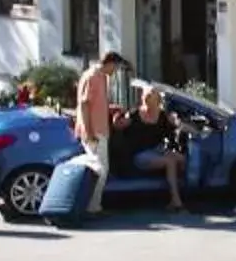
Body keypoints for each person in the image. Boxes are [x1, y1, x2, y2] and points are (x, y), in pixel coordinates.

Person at [111, 86, 188, 210]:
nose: (147, 99)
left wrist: (179, 123)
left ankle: (187, 190)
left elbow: (177, 126)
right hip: (140, 155)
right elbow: (118, 126)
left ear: (157, 100)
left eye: (151, 96)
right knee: (170, 162)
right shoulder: (134, 114)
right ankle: (176, 199)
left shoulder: (163, 116)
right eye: (146, 96)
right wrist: (116, 117)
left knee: (182, 158)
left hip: (157, 150)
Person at [74, 49, 122, 212]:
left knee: (99, 168)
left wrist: (110, 108)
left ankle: (93, 205)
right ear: (109, 63)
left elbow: (94, 103)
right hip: (94, 131)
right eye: (114, 68)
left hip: (99, 129)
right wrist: (89, 132)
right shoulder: (93, 76)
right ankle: (92, 206)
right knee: (100, 169)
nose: (114, 72)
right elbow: (84, 104)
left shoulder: (101, 77)